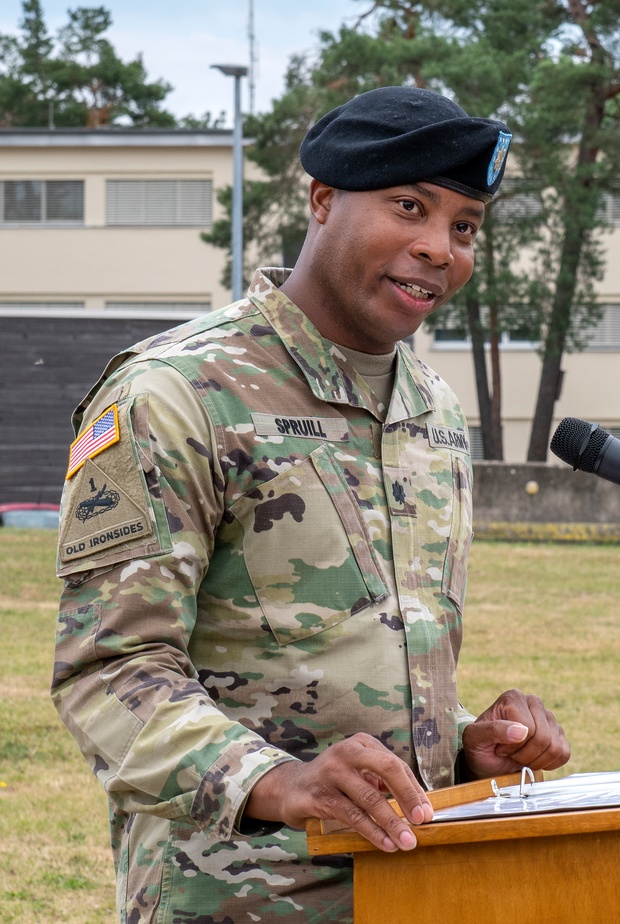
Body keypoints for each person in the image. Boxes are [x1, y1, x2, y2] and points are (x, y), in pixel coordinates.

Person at [52, 85, 570, 923]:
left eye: (464, 226)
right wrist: (279, 781)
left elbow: (364, 659)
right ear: (323, 200)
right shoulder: (177, 391)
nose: (440, 247)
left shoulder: (431, 410)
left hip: (417, 890)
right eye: (410, 207)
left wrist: (467, 745)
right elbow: (109, 675)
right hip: (232, 898)